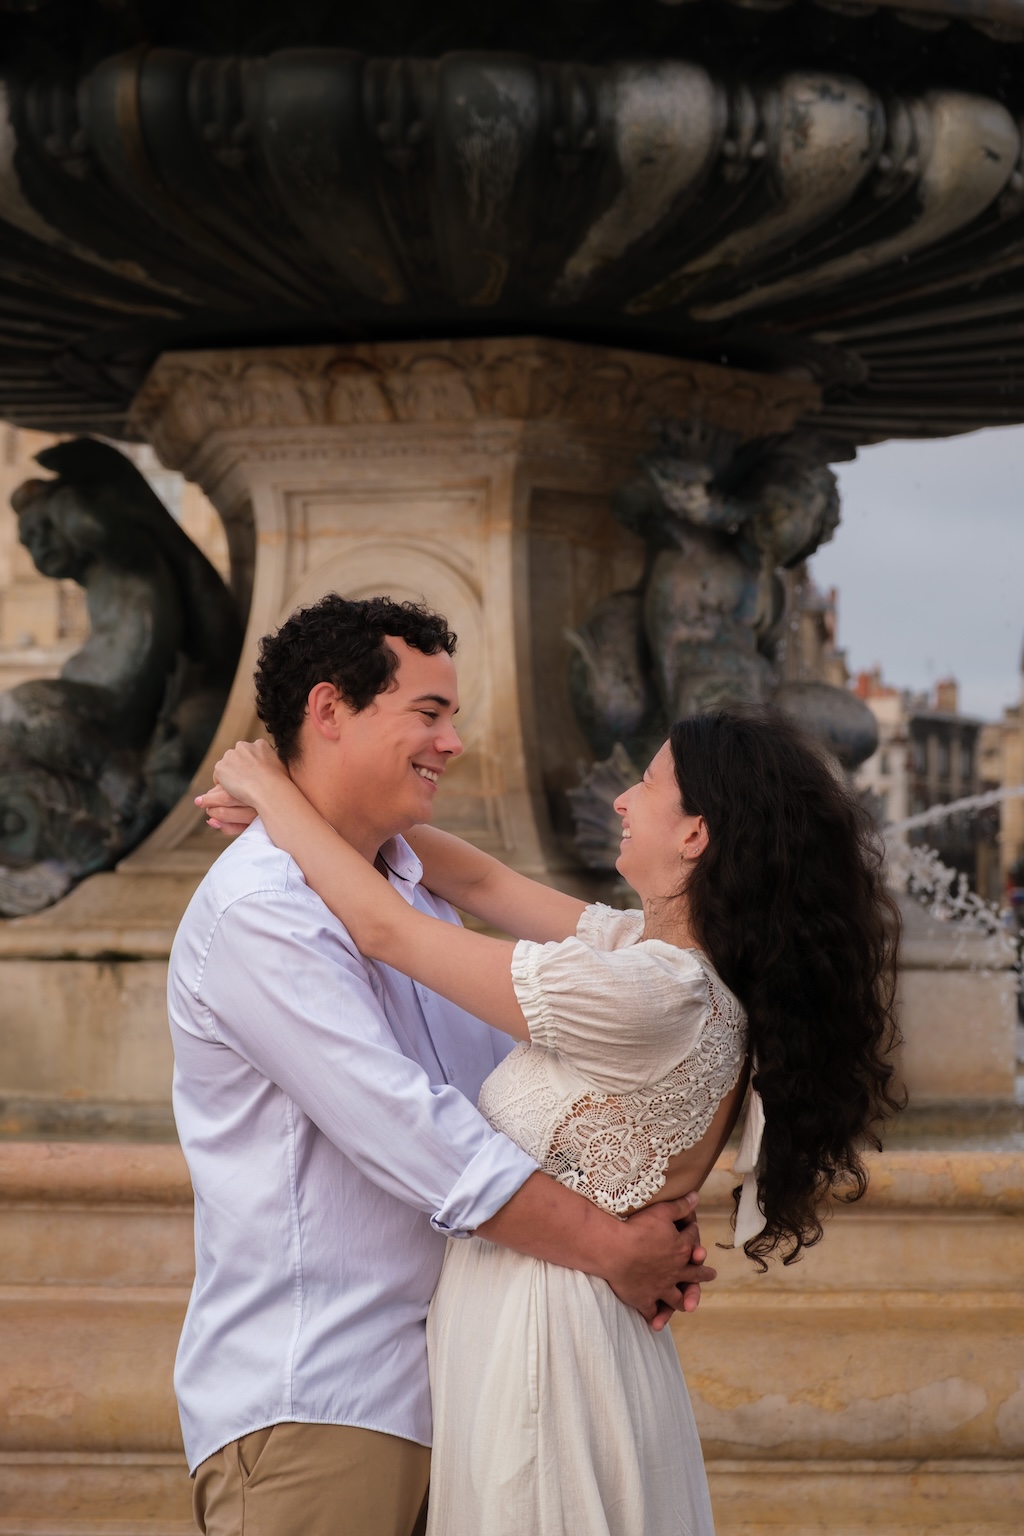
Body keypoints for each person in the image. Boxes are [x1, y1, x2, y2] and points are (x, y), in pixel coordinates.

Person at [202, 653, 903, 1535]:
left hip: (544, 1343)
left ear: (696, 835)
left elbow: (386, 929)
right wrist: (320, 807)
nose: (621, 801)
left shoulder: (650, 993)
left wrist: (271, 788)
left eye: (647, 785)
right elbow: (483, 883)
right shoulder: (648, 963)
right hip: (553, 1323)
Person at [169, 593, 714, 1536]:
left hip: (462, 1389)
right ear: (329, 711)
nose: (454, 743)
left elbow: (504, 1100)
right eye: (429, 713)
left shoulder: (411, 899)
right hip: (327, 1402)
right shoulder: (264, 910)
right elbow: (416, 1132)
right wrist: (611, 1244)